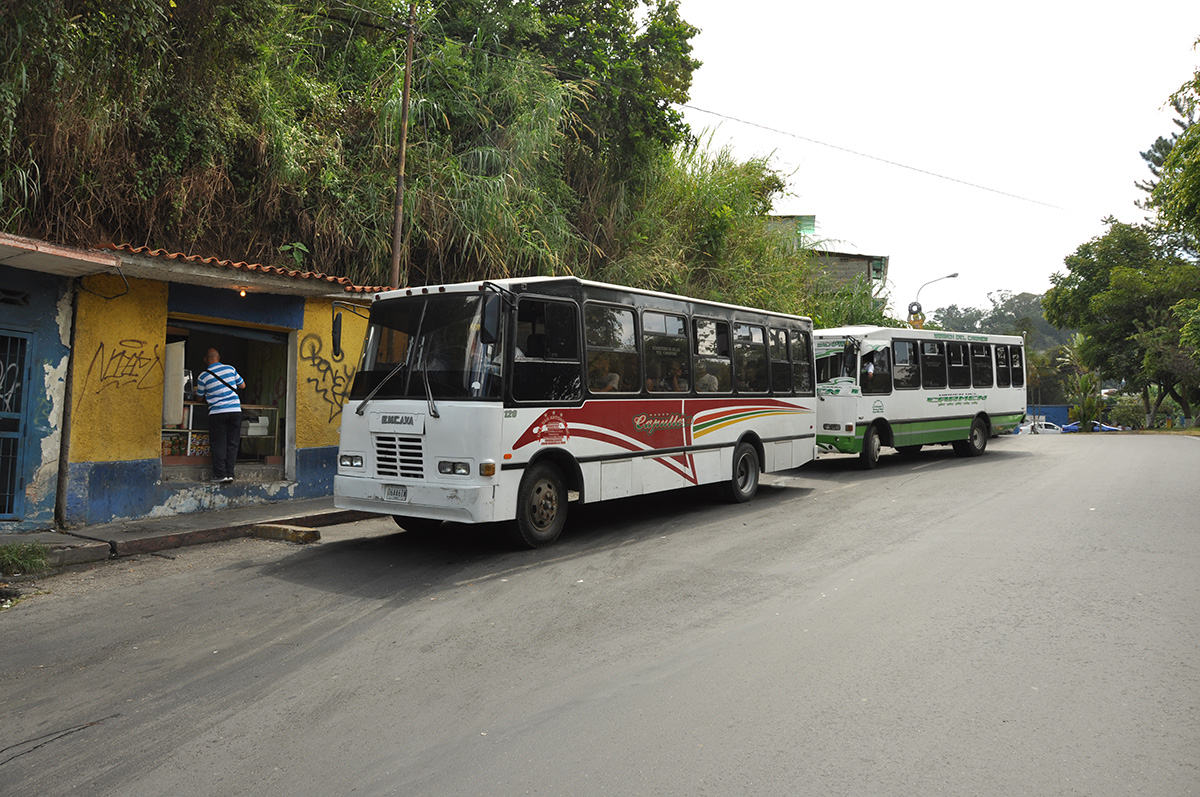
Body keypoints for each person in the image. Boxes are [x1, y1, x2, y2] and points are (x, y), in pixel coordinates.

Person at [194, 347, 245, 484]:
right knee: (233, 443)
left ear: (205, 359)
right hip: (235, 410)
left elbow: (199, 398)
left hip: (217, 413)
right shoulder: (230, 369)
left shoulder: (203, 376)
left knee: (218, 444)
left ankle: (221, 474)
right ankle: (230, 473)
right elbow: (243, 385)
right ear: (219, 357)